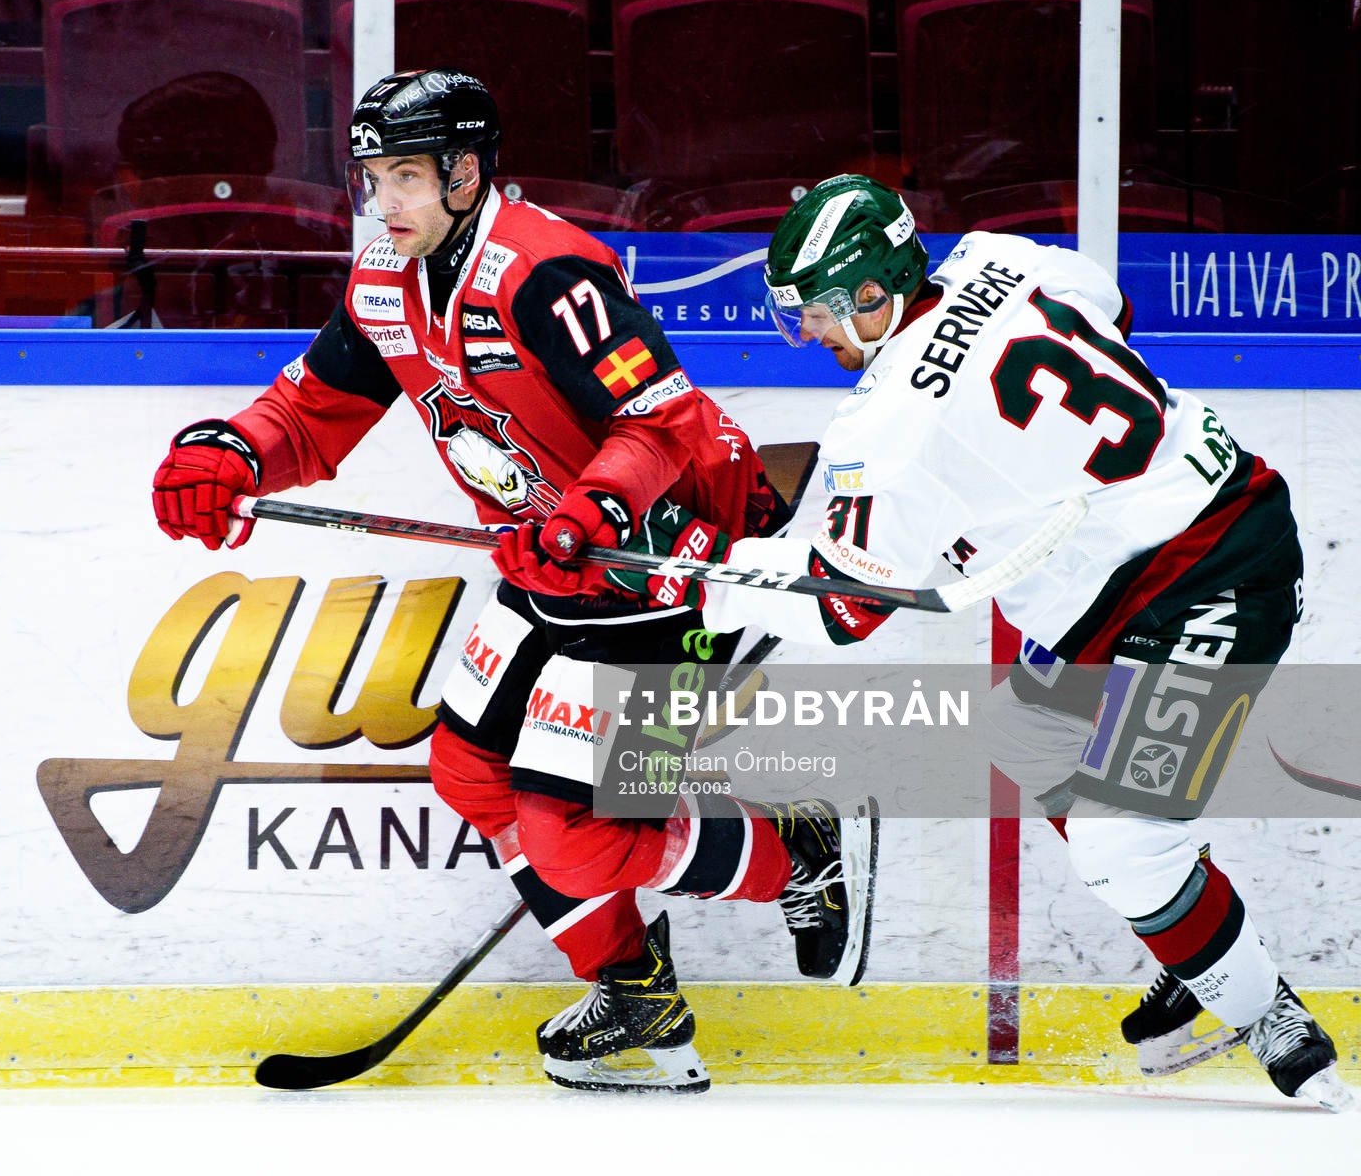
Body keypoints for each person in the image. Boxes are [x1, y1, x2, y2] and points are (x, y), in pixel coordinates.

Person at [151, 69, 876, 1094]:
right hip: (551, 561)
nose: (384, 201)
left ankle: (793, 846)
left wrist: (596, 509)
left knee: (578, 835)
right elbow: (313, 411)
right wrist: (231, 451)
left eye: (406, 175)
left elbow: (661, 421)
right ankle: (637, 997)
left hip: (660, 563)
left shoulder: (544, 275)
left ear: (464, 171)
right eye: (372, 177)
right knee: (472, 773)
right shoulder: (385, 281)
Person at [644, 173, 1346, 1109]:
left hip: (1215, 573)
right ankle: (1196, 930)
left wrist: (712, 580)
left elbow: (843, 607)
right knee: (1024, 735)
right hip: (1124, 590)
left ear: (869, 293)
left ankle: (1273, 1024)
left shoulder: (888, 426)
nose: (808, 335)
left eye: (813, 312)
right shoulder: (996, 255)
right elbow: (1112, 309)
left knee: (1121, 848)